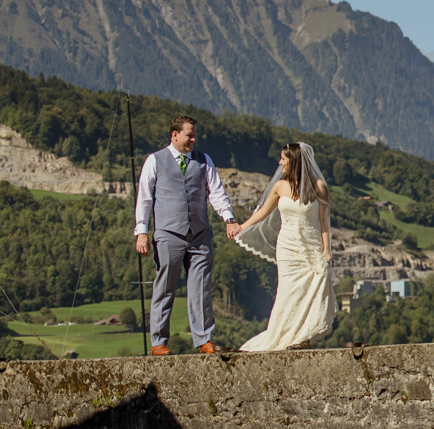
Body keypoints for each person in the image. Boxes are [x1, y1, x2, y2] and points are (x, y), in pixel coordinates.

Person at [134, 115, 241, 355]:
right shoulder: (155, 160)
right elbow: (144, 198)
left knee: (201, 287)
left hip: (199, 234)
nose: (193, 139)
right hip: (168, 233)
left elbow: (216, 192)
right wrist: (141, 232)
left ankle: (205, 339)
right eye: (189, 135)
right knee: (165, 287)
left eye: (194, 135)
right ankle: (159, 342)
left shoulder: (204, 160)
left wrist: (229, 219)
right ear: (174, 135)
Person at [232, 142, 338, 351]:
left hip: (311, 245)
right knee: (288, 290)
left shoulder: (319, 187)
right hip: (287, 247)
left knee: (311, 290)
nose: (279, 162)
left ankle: (303, 337)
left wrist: (327, 249)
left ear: (294, 161)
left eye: (283, 159)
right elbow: (262, 212)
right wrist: (241, 227)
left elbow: (324, 221)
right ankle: (282, 334)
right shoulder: (280, 186)